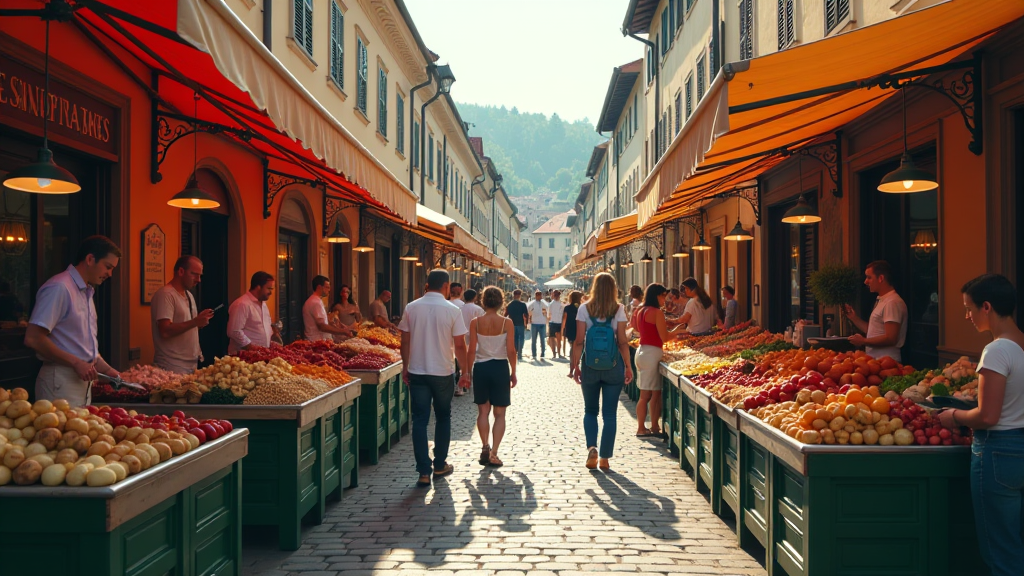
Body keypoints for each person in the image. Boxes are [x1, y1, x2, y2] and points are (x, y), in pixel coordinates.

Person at [936, 274, 1024, 576]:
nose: (967, 316)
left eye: (969, 308)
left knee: (1000, 550)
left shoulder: (997, 350)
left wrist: (954, 416)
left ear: (987, 306)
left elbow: (987, 416)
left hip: (998, 451)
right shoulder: (1022, 345)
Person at [25, 236, 122, 404]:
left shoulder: (87, 292)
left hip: (82, 382)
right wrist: (76, 362)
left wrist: (108, 370)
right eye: (108, 267)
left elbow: (82, 345)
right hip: (60, 380)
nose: (110, 274)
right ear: (90, 259)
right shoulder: (59, 287)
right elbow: (33, 338)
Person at [398, 269, 470, 488]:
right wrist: (465, 371)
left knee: (419, 420)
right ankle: (439, 464)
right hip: (442, 372)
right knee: (443, 417)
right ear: (446, 286)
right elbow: (459, 345)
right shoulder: (451, 310)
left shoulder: (412, 307)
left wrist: (405, 366)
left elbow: (405, 341)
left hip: (418, 371)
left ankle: (423, 472)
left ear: (427, 284)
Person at [570, 272, 633, 471]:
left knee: (590, 410)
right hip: (613, 366)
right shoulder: (619, 309)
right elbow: (623, 341)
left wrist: (575, 366)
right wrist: (628, 366)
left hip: (590, 365)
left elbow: (579, 341)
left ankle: (592, 448)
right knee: (610, 414)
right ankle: (605, 458)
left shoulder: (584, 309)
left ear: (594, 287)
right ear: (614, 289)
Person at [466, 286, 517, 468]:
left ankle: (484, 446)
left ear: (483, 301)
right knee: (500, 413)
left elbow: (471, 350)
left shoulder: (475, 322)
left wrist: (466, 371)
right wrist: (514, 371)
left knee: (483, 411)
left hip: (481, 367)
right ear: (501, 302)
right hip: (499, 367)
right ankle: (494, 453)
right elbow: (511, 350)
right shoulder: (507, 323)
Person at [151, 255, 214, 374]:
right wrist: (195, 322)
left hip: (191, 364)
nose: (198, 280)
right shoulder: (166, 294)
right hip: (171, 366)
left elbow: (186, 326)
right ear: (181, 271)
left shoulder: (189, 295)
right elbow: (165, 330)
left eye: (200, 275)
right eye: (194, 274)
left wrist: (199, 322)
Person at [842, 260, 908, 362]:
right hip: (876, 362)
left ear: (881, 278)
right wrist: (853, 318)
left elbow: (891, 338)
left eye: (869, 277)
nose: (865, 282)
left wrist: (863, 341)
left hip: (887, 362)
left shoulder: (892, 302)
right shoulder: (883, 300)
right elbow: (874, 332)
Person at [634, 284, 675, 440]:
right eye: (663, 295)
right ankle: (645, 427)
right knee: (651, 394)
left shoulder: (640, 311)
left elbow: (642, 331)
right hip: (652, 353)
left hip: (642, 351)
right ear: (657, 296)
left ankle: (649, 426)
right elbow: (664, 337)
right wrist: (678, 332)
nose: (665, 299)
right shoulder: (657, 312)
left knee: (648, 393)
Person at [227, 271, 277, 354]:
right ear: (258, 287)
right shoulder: (242, 304)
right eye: (269, 288)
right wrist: (252, 348)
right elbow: (234, 331)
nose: (271, 292)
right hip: (243, 357)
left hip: (261, 355)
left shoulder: (263, 304)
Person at [303, 276, 354, 341]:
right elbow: (322, 326)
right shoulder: (315, 302)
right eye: (327, 287)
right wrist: (343, 331)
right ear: (319, 287)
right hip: (316, 342)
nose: (329, 290)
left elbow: (322, 321)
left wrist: (334, 324)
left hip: (319, 341)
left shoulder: (315, 301)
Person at [455, 288, 485, 397]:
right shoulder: (478, 309)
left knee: (462, 361)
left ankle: (461, 384)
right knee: (472, 360)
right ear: (475, 297)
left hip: (461, 336)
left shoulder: (459, 309)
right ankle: (470, 382)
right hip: (474, 337)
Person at [505, 290, 528, 361]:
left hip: (512, 324)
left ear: (513, 295)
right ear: (520, 295)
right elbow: (526, 315)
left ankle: (515, 352)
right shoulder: (523, 305)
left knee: (514, 338)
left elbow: (505, 315)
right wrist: (526, 323)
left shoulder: (509, 304)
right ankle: (520, 354)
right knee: (521, 338)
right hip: (520, 324)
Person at [563, 290, 582, 379]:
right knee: (577, 349)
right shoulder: (581, 307)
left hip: (570, 330)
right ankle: (576, 367)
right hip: (580, 329)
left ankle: (572, 370)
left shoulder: (567, 308)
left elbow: (564, 320)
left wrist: (562, 329)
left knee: (572, 350)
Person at [527, 290, 549, 360]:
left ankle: (542, 354)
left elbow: (548, 308)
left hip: (542, 323)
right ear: (536, 296)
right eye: (538, 295)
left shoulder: (543, 303)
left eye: (540, 295)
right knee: (534, 340)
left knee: (542, 340)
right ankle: (534, 354)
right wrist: (530, 315)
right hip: (534, 323)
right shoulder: (532, 303)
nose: (540, 296)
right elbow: (528, 309)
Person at [548, 290, 565, 359]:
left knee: (552, 338)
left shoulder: (551, 304)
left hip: (553, 322)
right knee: (558, 339)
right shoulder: (561, 304)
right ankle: (558, 353)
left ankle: (554, 353)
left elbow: (549, 314)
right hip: (558, 322)